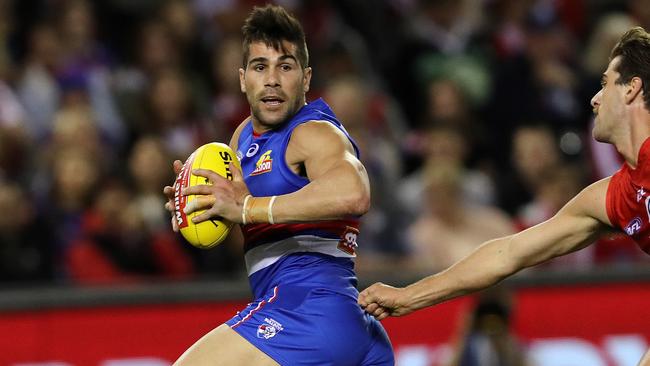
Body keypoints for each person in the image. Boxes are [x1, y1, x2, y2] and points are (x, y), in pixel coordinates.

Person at [358, 26, 650, 366]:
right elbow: (507, 252)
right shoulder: (616, 195)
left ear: (631, 89)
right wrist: (409, 295)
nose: (594, 98)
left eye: (604, 83)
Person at [163, 5, 393, 365]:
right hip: (336, 326)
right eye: (260, 67)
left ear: (305, 78)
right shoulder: (241, 138)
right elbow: (244, 216)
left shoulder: (313, 133)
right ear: (243, 79)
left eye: (285, 67)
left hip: (309, 313)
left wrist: (248, 207)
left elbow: (354, 192)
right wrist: (201, 204)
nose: (271, 79)